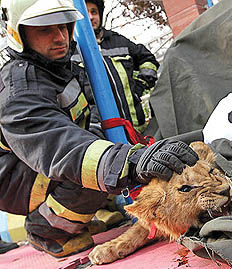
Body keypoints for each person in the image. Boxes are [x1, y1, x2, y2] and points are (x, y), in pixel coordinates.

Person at [0, 0, 198, 258]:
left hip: (34, 166)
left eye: (64, 27)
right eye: (45, 30)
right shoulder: (20, 89)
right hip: (15, 179)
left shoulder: (56, 67)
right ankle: (47, 230)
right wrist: (132, 162)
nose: (60, 37)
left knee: (106, 162)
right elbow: (60, 147)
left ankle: (73, 217)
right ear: (19, 34)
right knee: (95, 172)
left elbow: (90, 110)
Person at [73, 0, 159, 136]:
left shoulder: (118, 41)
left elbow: (148, 59)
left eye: (94, 12)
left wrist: (140, 86)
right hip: (103, 134)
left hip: (138, 128)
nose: (90, 17)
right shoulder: (73, 52)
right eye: (85, 13)